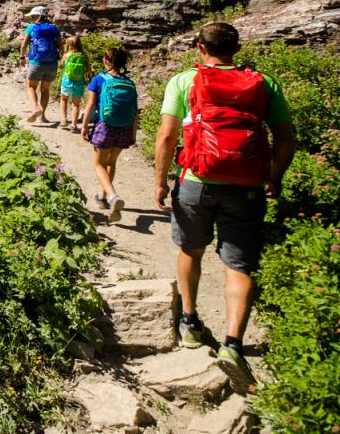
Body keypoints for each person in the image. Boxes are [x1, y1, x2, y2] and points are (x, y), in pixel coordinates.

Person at [154, 22, 296, 393]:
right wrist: (272, 176)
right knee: (239, 264)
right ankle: (233, 345)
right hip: (247, 186)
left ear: (200, 47)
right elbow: (285, 138)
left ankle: (190, 322)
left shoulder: (184, 81)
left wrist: (160, 180)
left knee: (191, 248)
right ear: (236, 47)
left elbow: (167, 135)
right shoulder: (263, 83)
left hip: (195, 182)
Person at [80, 46, 138, 223]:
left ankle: (112, 196)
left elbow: (90, 105)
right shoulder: (129, 82)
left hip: (105, 126)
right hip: (125, 127)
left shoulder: (98, 80)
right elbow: (135, 111)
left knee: (99, 164)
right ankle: (103, 197)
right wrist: (133, 133)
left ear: (106, 60)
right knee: (111, 162)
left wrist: (83, 126)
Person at [19, 6, 61, 124]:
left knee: (31, 86)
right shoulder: (55, 28)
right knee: (45, 89)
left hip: (36, 62)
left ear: (37, 16)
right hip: (52, 63)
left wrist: (22, 57)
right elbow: (60, 45)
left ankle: (34, 108)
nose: (31, 19)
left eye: (32, 16)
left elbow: (24, 45)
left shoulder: (32, 27)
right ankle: (42, 117)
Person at [58, 36, 88, 131]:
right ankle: (74, 125)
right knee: (76, 104)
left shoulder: (66, 55)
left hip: (67, 82)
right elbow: (89, 69)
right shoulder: (83, 55)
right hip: (79, 83)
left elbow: (61, 66)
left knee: (64, 100)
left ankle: (64, 120)